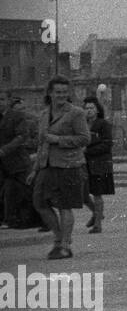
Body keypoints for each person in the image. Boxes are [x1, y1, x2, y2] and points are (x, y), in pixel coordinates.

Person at [30, 76, 90, 259]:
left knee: (65, 206)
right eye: (58, 92)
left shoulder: (76, 113)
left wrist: (58, 140)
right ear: (50, 93)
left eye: (65, 92)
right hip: (46, 165)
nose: (61, 95)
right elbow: (41, 143)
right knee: (39, 202)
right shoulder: (43, 114)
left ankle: (64, 245)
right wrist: (35, 169)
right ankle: (58, 237)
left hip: (69, 165)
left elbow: (85, 138)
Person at [1, 95, 41, 230]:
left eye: (2, 99)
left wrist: (5, 150)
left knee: (29, 189)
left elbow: (25, 138)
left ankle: (43, 219)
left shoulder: (24, 119)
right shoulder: (4, 118)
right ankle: (11, 219)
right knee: (10, 192)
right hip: (6, 163)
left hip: (21, 160)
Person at [82, 96, 114, 233]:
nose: (88, 111)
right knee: (82, 193)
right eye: (86, 108)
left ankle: (97, 225)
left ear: (97, 110)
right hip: (84, 163)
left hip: (99, 163)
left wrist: (88, 151)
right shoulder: (82, 124)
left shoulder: (103, 124)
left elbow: (107, 144)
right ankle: (97, 213)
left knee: (97, 193)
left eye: (91, 108)